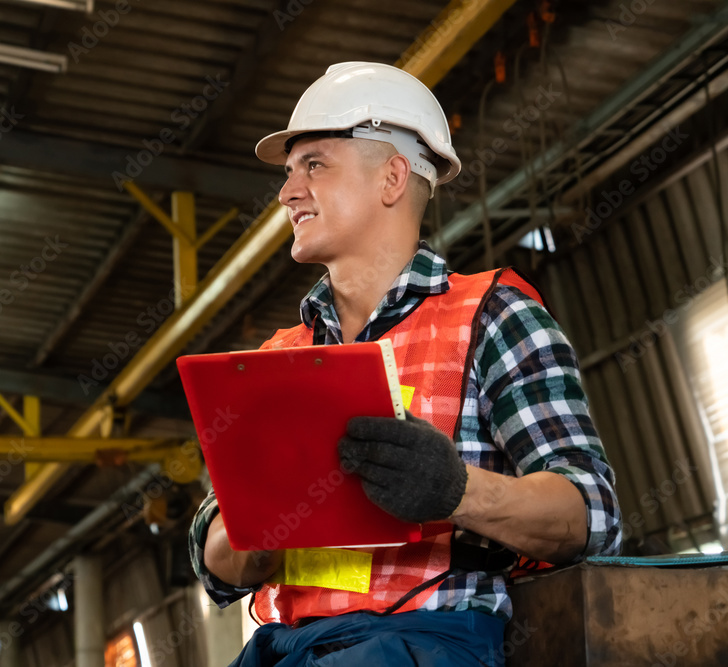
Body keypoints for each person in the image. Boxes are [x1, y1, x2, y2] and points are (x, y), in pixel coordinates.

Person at [188, 62, 622, 666]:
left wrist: (455, 491)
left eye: (314, 165)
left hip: (429, 640)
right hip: (286, 647)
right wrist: (256, 534)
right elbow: (214, 559)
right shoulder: (277, 359)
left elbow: (590, 513)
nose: (288, 192)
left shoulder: (492, 316)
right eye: (289, 173)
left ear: (392, 178)